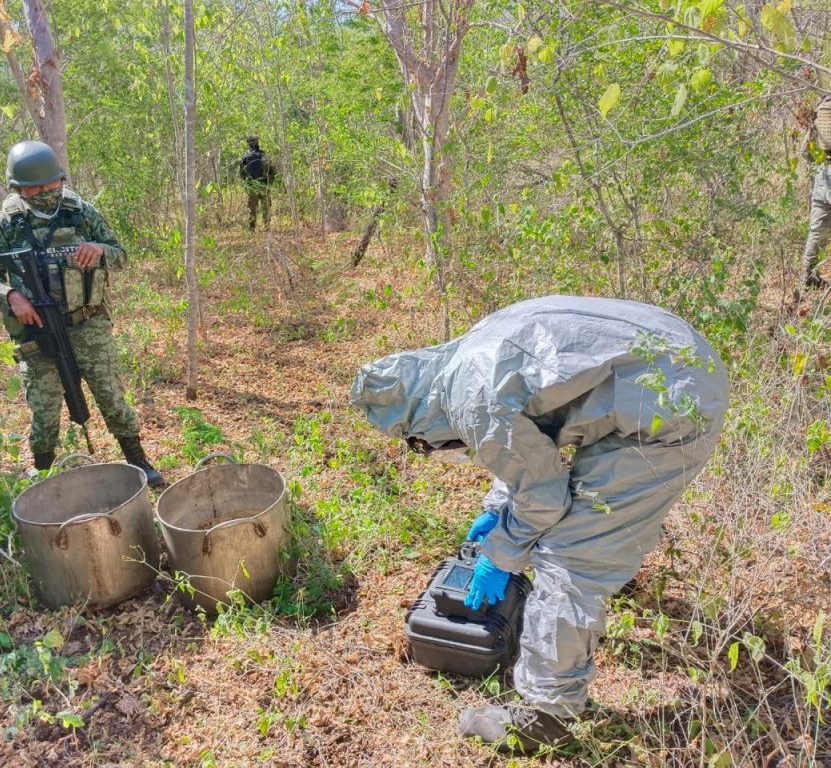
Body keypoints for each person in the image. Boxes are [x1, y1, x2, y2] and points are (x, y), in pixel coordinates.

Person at [351, 295, 728, 752]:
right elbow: (534, 433)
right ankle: (600, 588)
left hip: (669, 408)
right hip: (675, 363)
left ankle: (544, 716)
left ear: (420, 427)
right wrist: (497, 507)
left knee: (569, 556)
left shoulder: (471, 403)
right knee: (588, 524)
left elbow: (545, 497)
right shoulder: (465, 361)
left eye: (426, 446)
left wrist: (500, 554)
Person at [0, 140, 165, 488]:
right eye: (35, 189)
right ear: (18, 188)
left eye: (51, 185)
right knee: (44, 409)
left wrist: (99, 250)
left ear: (60, 179)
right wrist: (11, 295)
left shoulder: (80, 212)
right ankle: (44, 474)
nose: (45, 194)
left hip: (87, 322)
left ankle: (138, 460)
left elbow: (121, 254)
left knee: (110, 395)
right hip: (37, 330)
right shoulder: (7, 223)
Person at [802, 94, 831, 288]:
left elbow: (805, 151)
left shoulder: (823, 106)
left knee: (818, 229)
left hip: (823, 173)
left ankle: (808, 276)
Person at [238, 135, 275, 231]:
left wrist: (247, 183)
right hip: (263, 185)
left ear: (248, 143)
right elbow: (272, 170)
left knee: (252, 208)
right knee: (265, 208)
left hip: (252, 186)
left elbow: (241, 174)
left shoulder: (245, 156)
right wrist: (269, 182)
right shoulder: (263, 155)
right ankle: (267, 227)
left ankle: (252, 228)